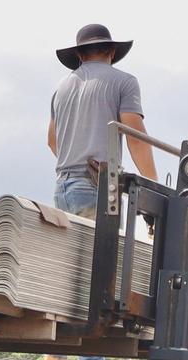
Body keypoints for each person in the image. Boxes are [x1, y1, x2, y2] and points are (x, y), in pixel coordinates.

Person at [48, 23, 158, 218]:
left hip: (62, 189)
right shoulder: (125, 82)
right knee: (102, 249)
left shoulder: (61, 88)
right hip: (95, 187)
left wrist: (76, 160)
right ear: (112, 52)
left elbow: (52, 140)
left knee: (69, 250)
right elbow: (137, 139)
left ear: (80, 56)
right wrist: (155, 190)